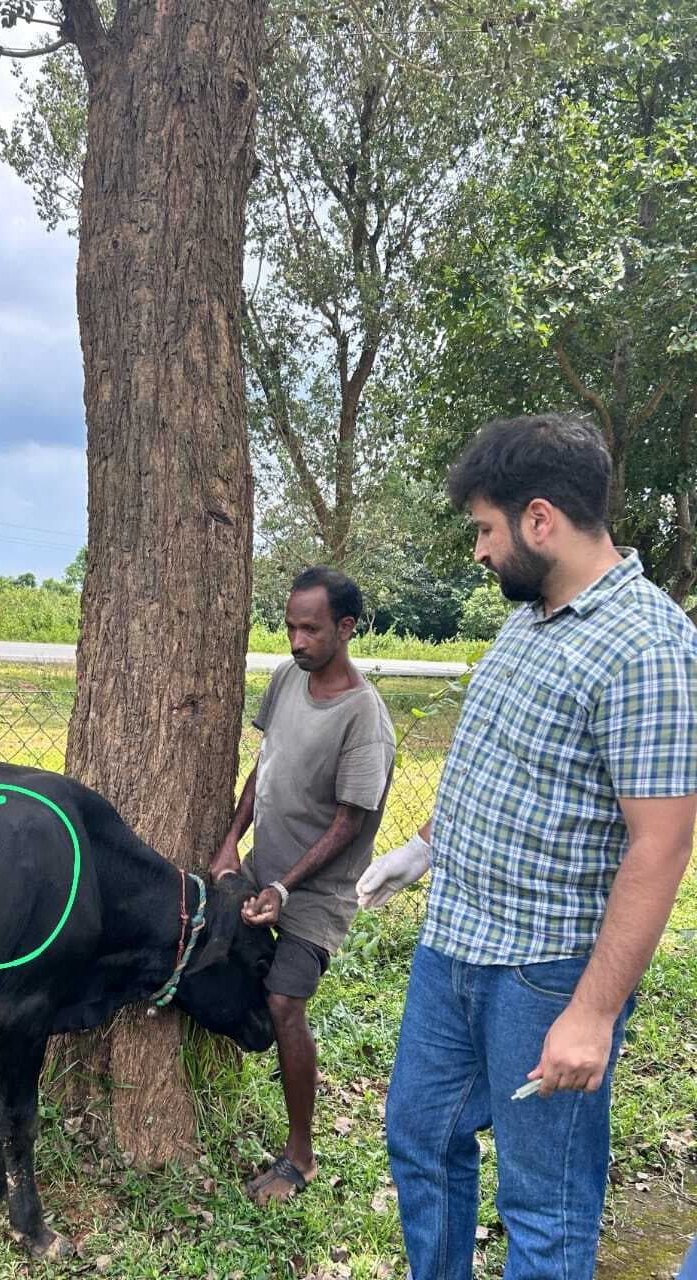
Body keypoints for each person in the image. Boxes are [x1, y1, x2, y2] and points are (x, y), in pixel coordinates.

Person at [357, 414, 697, 1279]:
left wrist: (590, 1014)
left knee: (542, 1204)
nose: (480, 549)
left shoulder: (647, 651)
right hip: (455, 943)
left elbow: (660, 846)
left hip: (544, 975)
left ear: (539, 519)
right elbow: (505, 772)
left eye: (485, 528)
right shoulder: (532, 617)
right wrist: (424, 850)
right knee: (421, 1139)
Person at [210, 566, 396, 1205]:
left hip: (318, 893)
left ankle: (300, 1157)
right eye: (290, 626)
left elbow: (350, 823)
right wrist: (232, 838)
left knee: (286, 1004)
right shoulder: (288, 679)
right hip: (264, 868)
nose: (295, 641)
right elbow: (265, 767)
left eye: (310, 629)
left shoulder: (363, 716)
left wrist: (286, 888)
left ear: (345, 628)